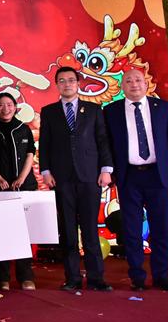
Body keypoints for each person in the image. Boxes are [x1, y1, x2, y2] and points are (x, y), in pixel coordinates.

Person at [104, 69, 168, 291]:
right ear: (122, 86)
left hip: (157, 175)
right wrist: (107, 170)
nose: (134, 84)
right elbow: (106, 144)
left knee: (160, 227)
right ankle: (137, 277)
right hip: (128, 176)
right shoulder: (111, 111)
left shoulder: (162, 108)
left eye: (138, 80)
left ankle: (161, 275)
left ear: (146, 83)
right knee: (131, 229)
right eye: (129, 81)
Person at [39, 66, 113, 292]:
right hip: (61, 178)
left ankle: (96, 278)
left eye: (71, 80)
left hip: (90, 176)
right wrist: (46, 171)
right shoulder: (49, 111)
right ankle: (72, 278)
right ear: (57, 85)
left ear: (78, 83)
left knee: (90, 229)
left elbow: (102, 140)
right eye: (62, 81)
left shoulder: (93, 109)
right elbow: (45, 143)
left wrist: (106, 169)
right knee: (68, 231)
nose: (67, 84)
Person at [0, 92, 37, 291]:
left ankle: (26, 277)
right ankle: (3, 278)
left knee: (24, 233)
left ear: (15, 107)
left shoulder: (23, 128)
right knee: (1, 232)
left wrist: (22, 178)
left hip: (24, 186)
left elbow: (30, 153)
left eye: (9, 104)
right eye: (1, 105)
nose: (5, 108)